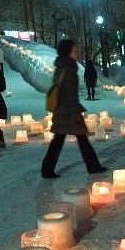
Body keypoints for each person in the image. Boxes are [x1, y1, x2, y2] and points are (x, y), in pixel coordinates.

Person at [41, 39, 106, 178]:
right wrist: (75, 113)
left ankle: (47, 169)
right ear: (68, 52)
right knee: (80, 140)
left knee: (59, 140)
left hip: (62, 111)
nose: (77, 53)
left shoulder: (61, 67)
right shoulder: (69, 68)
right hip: (68, 112)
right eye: (75, 51)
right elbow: (70, 94)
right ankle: (93, 167)